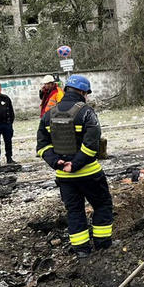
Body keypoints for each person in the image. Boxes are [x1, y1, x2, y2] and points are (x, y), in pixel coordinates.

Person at [36, 74, 113, 258]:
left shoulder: (49, 114)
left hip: (64, 178)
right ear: (82, 92)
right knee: (102, 205)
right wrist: (76, 164)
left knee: (74, 211)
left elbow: (42, 146)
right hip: (89, 174)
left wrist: (56, 162)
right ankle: (103, 245)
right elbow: (91, 145)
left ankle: (81, 250)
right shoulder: (87, 112)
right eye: (86, 93)